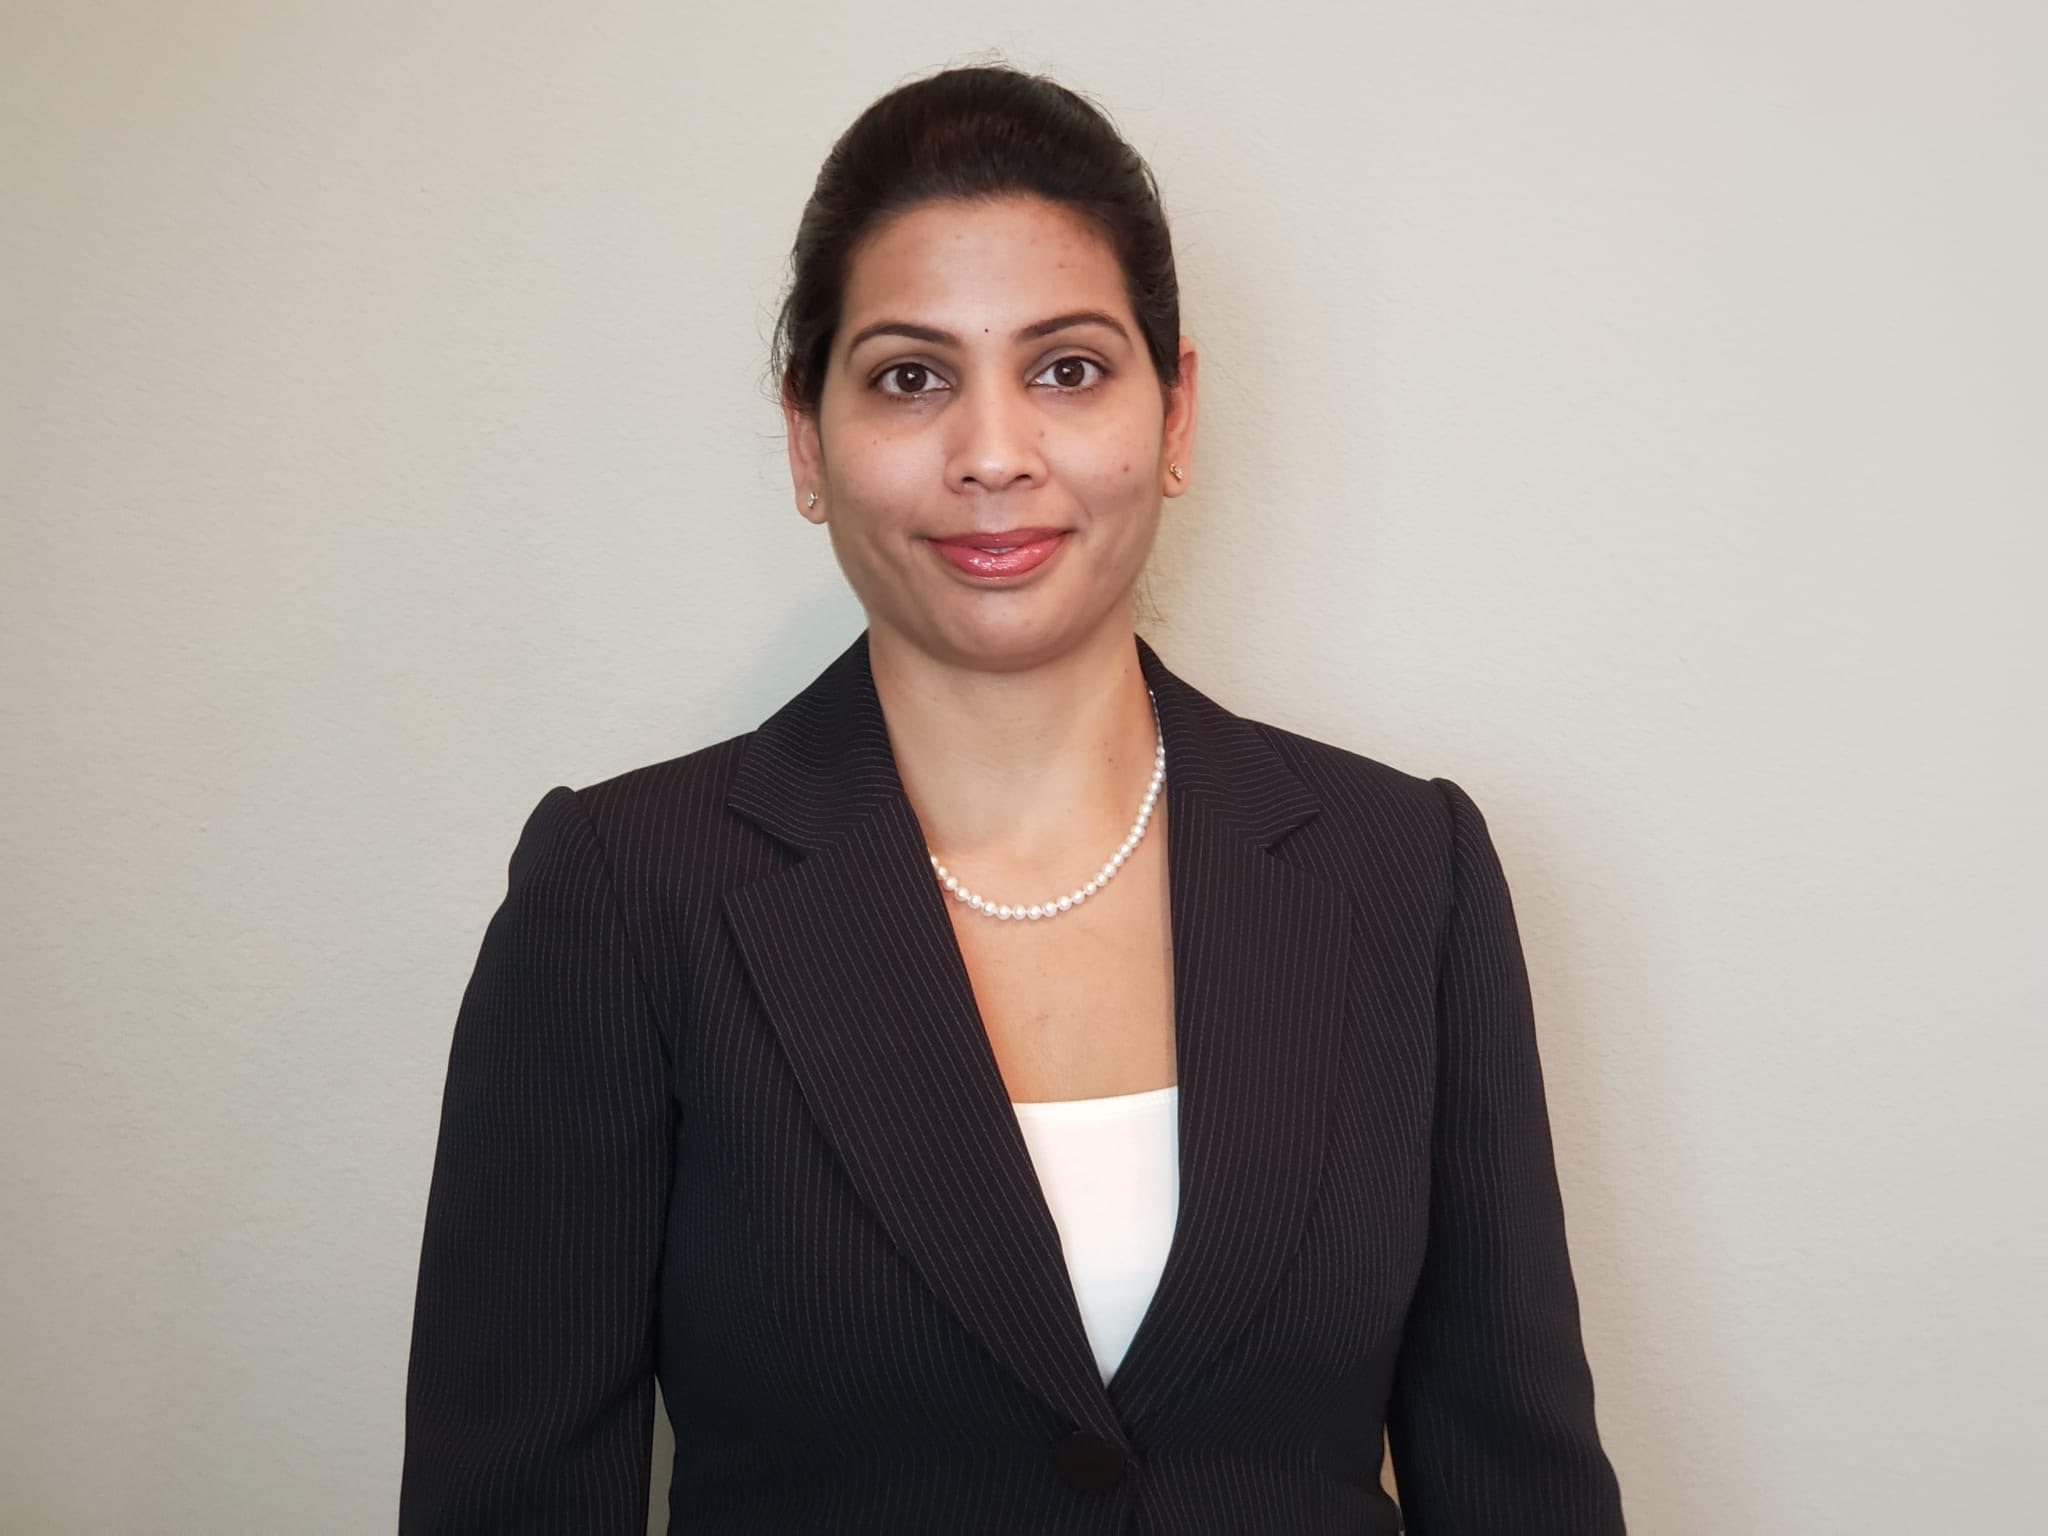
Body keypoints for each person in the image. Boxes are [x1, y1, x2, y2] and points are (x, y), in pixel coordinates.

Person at [398, 60, 1626, 1535]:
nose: (993, 454)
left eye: (1069, 370)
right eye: (910, 377)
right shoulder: (624, 893)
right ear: (806, 439)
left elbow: (1521, 1487)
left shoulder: (1407, 872)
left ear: (1176, 414)